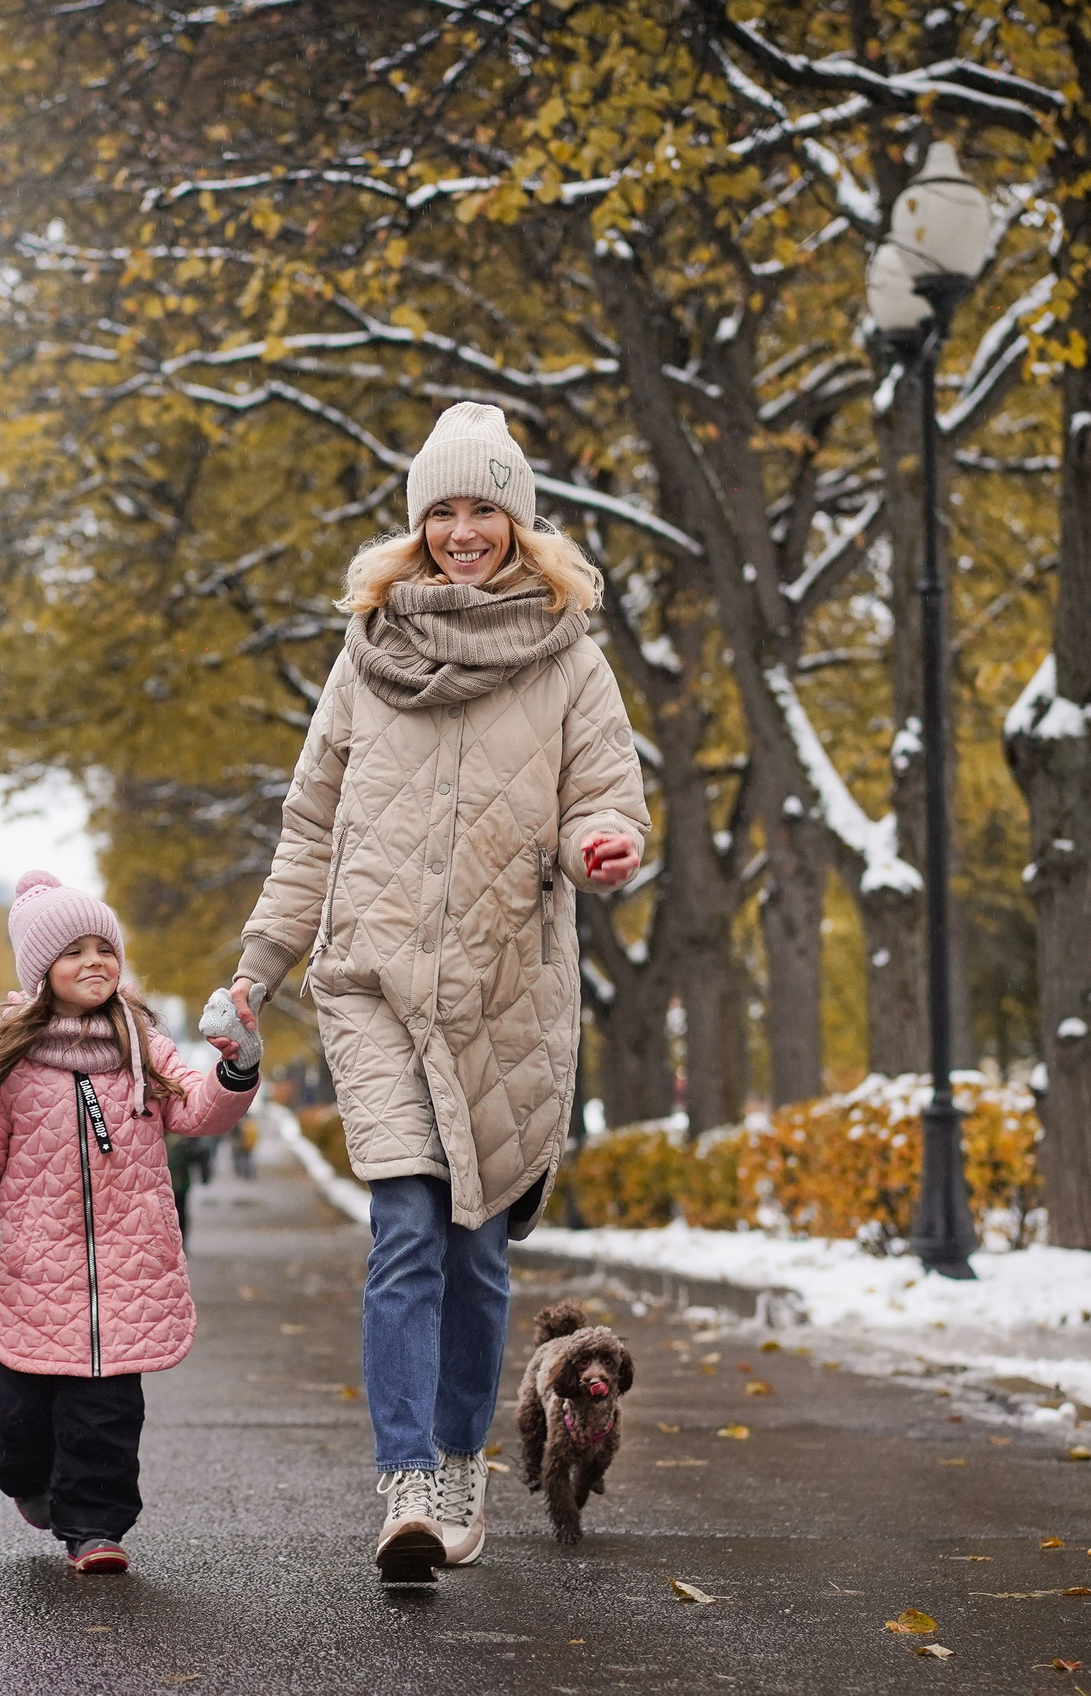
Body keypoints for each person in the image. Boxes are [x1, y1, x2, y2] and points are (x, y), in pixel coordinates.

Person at [226, 403, 648, 1583]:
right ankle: (406, 1476)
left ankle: (462, 1455)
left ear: (518, 520)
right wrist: (259, 964)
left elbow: (605, 796)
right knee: (406, 1225)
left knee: (475, 1242)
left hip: (504, 990)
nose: (464, 531)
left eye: (484, 510)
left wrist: (603, 842)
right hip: (370, 980)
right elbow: (310, 824)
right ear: (416, 528)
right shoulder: (365, 658)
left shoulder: (569, 655)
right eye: (443, 513)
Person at [0, 871, 259, 1575]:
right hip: (31, 1275)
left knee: (107, 1417)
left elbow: (199, 1112)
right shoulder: (15, 1060)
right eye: (73, 951)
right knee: (20, 1427)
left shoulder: (142, 1046)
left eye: (104, 948)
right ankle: (30, 1482)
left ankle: (96, 1529)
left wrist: (237, 1068)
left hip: (125, 1275)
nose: (94, 963)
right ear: (41, 971)